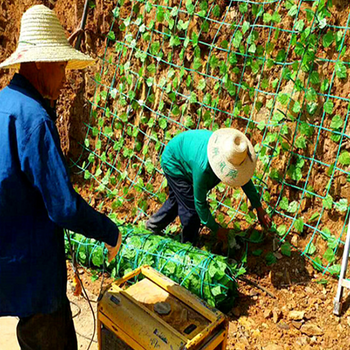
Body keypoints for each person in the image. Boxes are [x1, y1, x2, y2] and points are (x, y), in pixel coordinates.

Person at [0, 5, 121, 350]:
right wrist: (108, 231)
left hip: (10, 252)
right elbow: (64, 207)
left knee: (30, 330)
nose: (65, 78)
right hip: (36, 269)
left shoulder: (4, 103)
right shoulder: (35, 120)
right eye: (61, 67)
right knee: (48, 334)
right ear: (40, 63)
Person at [146, 128, 271, 245]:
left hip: (186, 155)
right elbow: (199, 204)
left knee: (177, 200)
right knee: (191, 211)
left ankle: (152, 226)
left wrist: (258, 208)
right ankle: (188, 248)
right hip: (174, 162)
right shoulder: (203, 169)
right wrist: (216, 229)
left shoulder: (231, 153)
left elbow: (244, 180)